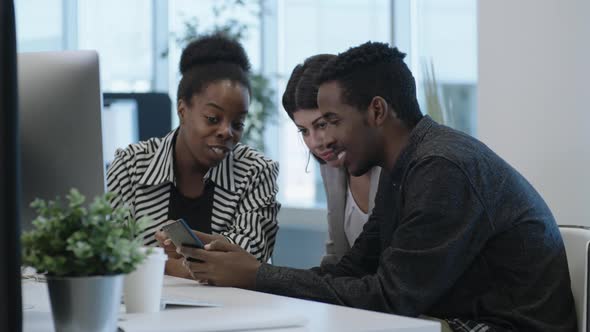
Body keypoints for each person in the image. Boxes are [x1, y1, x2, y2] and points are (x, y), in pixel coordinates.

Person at [176, 41, 577, 331]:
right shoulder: (404, 164)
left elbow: (390, 298)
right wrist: (254, 270)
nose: (325, 139)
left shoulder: (442, 167)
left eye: (332, 120)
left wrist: (258, 276)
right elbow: (353, 269)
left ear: (377, 111)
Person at [106, 34, 280, 278]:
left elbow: (246, 263)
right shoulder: (131, 165)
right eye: (212, 118)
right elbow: (108, 253)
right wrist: (194, 264)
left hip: (233, 311)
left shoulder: (255, 171)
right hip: (145, 311)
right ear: (182, 110)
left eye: (238, 123)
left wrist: (156, 262)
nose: (226, 132)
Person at [282, 54, 381, 265]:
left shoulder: (390, 167)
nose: (315, 142)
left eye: (322, 124)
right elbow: (335, 257)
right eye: (304, 131)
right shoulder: (332, 168)